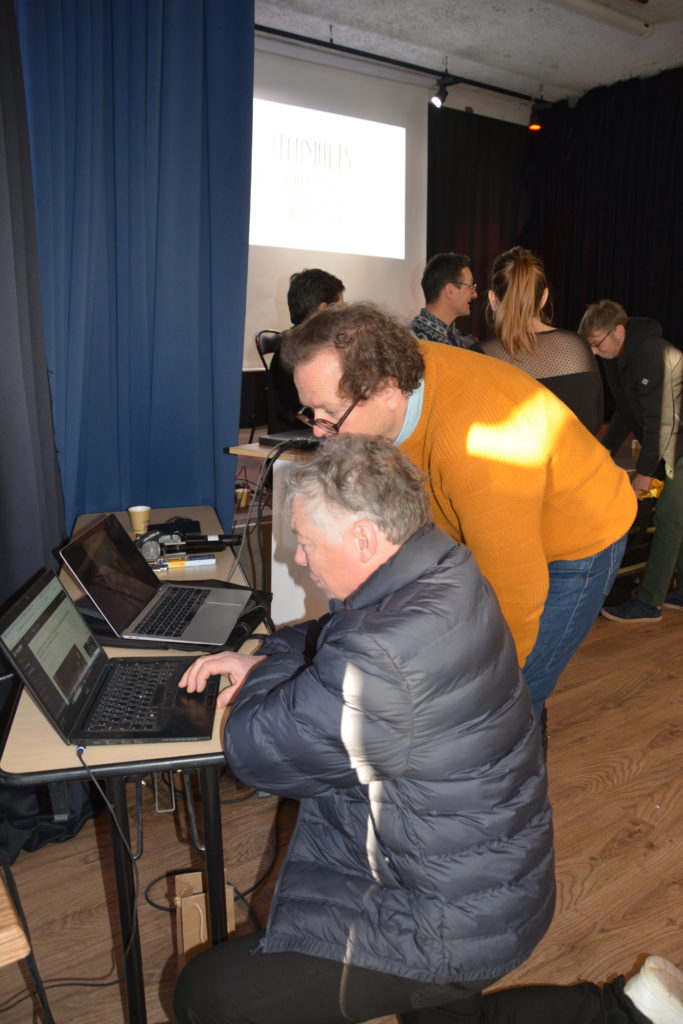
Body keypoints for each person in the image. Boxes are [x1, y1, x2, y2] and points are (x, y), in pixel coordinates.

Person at [172, 436, 681, 1024]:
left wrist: (261, 666)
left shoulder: (380, 654)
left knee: (208, 997)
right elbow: (328, 641)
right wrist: (271, 657)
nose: (300, 559)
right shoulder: (445, 569)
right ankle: (630, 1012)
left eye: (306, 543)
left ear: (364, 539)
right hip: (487, 881)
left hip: (443, 916)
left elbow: (256, 749)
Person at [282, 302, 636, 727]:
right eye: (311, 412)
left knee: (516, 697)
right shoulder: (394, 372)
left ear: (388, 390)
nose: (319, 432)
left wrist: (492, 690)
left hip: (580, 533)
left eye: (331, 414)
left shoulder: (482, 443)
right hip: (496, 519)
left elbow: (515, 588)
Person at [580, 299, 683, 622]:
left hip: (676, 442)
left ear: (618, 331)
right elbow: (624, 410)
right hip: (670, 442)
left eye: (597, 343)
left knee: (669, 518)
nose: (594, 352)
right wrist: (602, 452)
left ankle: (649, 603)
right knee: (677, 517)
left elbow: (659, 421)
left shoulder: (652, 353)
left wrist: (644, 472)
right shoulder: (616, 357)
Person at [480, 246, 603, 434]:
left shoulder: (480, 356)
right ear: (544, 297)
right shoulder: (578, 348)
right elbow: (593, 424)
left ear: (492, 299)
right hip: (575, 454)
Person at [266, 268, 344, 432]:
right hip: (303, 438)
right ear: (323, 309)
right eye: (340, 308)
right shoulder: (310, 352)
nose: (343, 316)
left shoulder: (291, 345)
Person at [409, 252, 480, 350]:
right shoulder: (410, 340)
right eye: (470, 286)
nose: (475, 294)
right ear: (450, 291)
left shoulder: (463, 341)